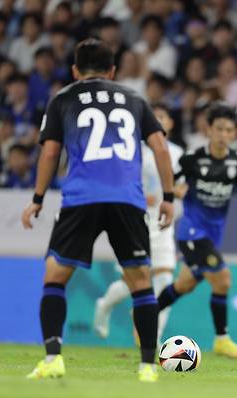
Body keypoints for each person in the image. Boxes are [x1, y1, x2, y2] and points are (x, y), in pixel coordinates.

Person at [21, 39, 175, 383]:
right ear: (113, 71)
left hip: (82, 198)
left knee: (55, 277)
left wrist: (37, 197)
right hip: (128, 200)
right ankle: (148, 367)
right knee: (140, 282)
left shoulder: (63, 99)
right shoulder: (134, 99)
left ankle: (53, 358)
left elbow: (49, 153)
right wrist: (167, 196)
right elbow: (160, 147)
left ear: (75, 70)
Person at [156, 102, 237, 359]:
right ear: (209, 130)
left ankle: (146, 312)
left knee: (184, 284)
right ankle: (222, 339)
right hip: (191, 232)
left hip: (213, 235)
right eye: (219, 129)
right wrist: (175, 191)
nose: (223, 135)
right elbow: (172, 181)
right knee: (223, 279)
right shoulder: (192, 159)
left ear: (234, 134)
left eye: (229, 130)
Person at [93, 103, 184, 341]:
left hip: (164, 222)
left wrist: (179, 191)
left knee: (164, 279)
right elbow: (116, 182)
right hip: (136, 219)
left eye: (162, 115)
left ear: (170, 123)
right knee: (132, 280)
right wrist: (141, 197)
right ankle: (104, 305)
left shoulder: (177, 153)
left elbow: (184, 183)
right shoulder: (132, 150)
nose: (158, 120)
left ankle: (153, 337)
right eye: (154, 116)